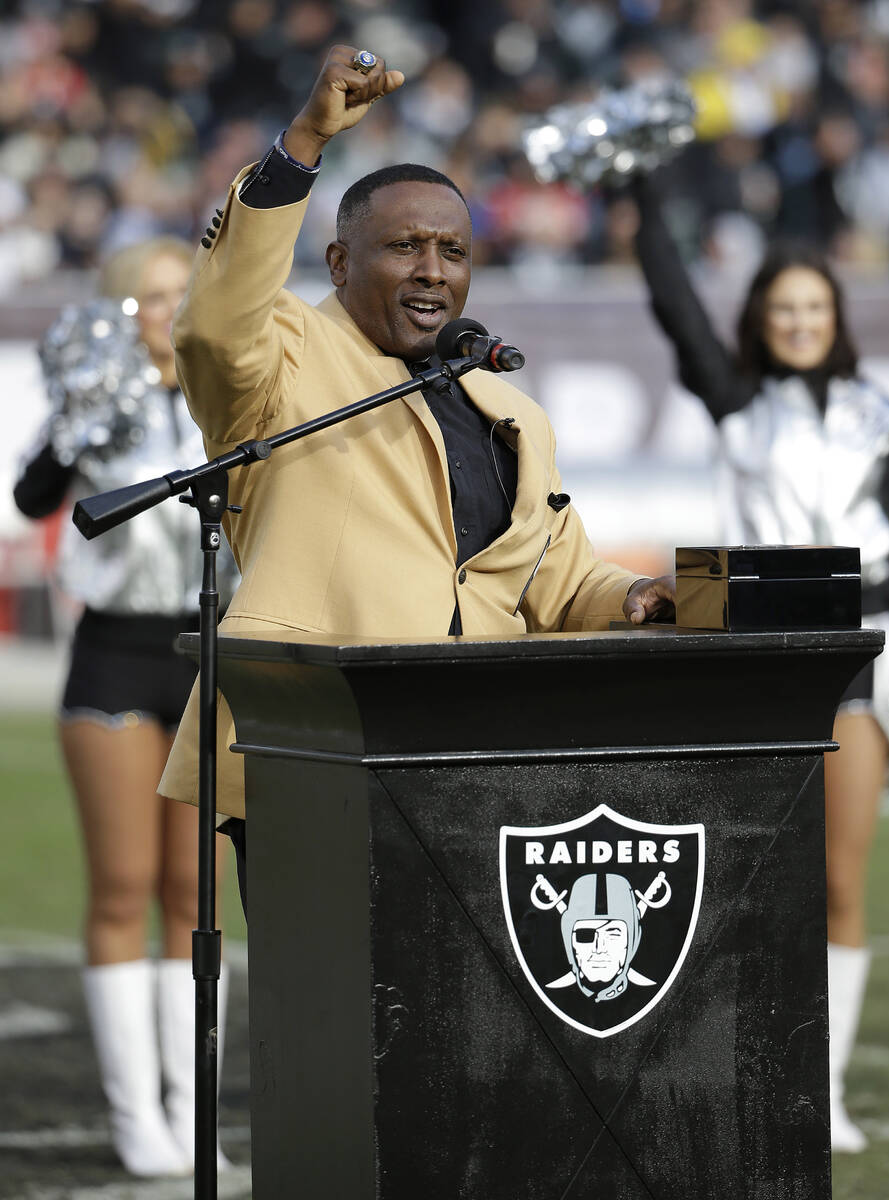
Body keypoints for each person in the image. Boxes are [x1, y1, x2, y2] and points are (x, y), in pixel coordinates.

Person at [157, 45, 675, 868]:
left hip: (476, 760)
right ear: (339, 263)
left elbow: (557, 583)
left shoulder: (513, 412)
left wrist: (637, 593)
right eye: (403, 247)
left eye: (453, 251)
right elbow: (213, 325)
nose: (432, 270)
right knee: (329, 999)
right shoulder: (285, 357)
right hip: (310, 742)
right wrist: (302, 145)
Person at [632, 172, 889, 1153]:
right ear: (760, 317)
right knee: (751, 883)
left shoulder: (877, 415)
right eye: (782, 306)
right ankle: (739, 1071)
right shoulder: (735, 399)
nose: (799, 320)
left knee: (837, 883)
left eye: (814, 306)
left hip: (856, 659)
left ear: (834, 316)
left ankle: (821, 1089)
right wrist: (643, 185)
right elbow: (673, 304)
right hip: (752, 647)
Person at [13, 238, 233, 1178]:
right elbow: (32, 500)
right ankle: (135, 1116)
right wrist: (71, 418)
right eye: (148, 297)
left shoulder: (225, 394)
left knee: (195, 899)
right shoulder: (96, 400)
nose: (166, 310)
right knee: (119, 888)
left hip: (205, 655)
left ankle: (195, 1110)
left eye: (179, 294)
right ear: (116, 311)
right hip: (110, 658)